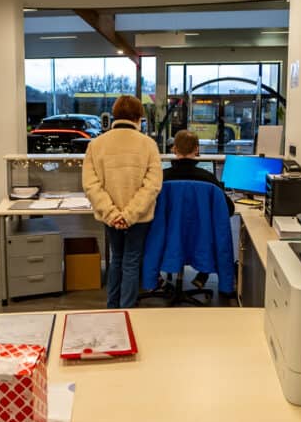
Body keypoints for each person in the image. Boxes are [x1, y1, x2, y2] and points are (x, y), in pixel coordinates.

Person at [82, 95, 162, 309]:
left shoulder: (96, 144)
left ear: (114, 115)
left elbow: (91, 185)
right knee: (132, 260)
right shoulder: (149, 145)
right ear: (139, 117)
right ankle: (127, 310)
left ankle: (112, 308)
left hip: (110, 218)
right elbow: (152, 185)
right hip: (140, 216)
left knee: (116, 258)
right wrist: (130, 215)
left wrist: (112, 214)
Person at [161, 129, 233, 291]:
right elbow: (228, 210)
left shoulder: (160, 178)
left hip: (168, 239)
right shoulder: (208, 178)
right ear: (197, 150)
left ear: (174, 149)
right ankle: (203, 274)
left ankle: (158, 278)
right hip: (201, 240)